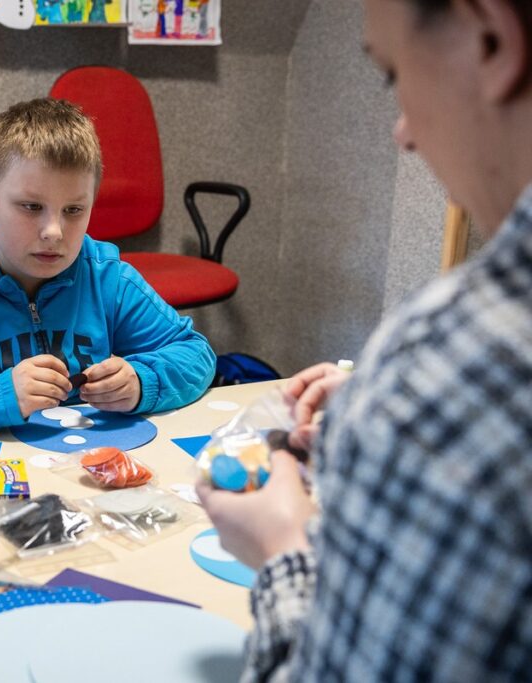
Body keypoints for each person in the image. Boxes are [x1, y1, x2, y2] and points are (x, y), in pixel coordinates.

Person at [198, 0, 532, 679]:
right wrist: (376, 409)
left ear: (492, 39)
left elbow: (183, 354)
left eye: (392, 74)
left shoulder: (447, 365)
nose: (404, 133)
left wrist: (284, 549)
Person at [0, 98, 216, 439]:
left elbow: (195, 353)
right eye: (31, 207)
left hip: (82, 468)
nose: (54, 232)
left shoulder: (106, 276)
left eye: (74, 210)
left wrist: (142, 382)